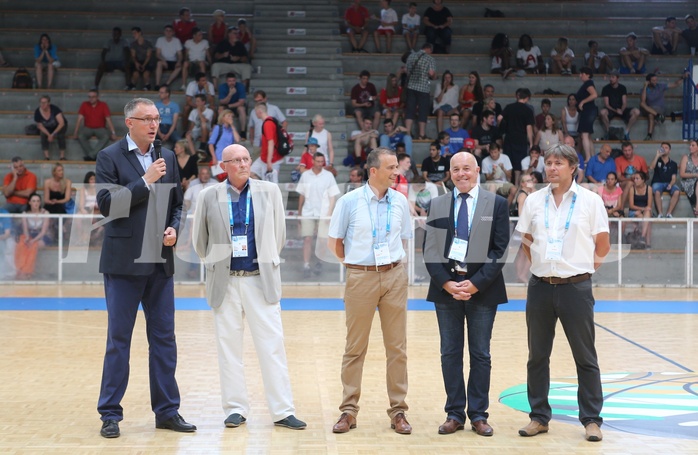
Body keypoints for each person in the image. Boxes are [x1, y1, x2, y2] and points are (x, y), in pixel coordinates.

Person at [95, 97, 193, 439]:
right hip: (123, 265)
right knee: (119, 341)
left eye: (156, 118)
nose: (154, 124)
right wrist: (146, 180)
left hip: (159, 262)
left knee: (164, 340)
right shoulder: (109, 157)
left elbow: (177, 205)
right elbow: (108, 206)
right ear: (129, 123)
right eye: (147, 118)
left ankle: (167, 411)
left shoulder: (166, 156)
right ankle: (110, 413)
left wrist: (174, 229)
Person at [191, 143, 306, 429]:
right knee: (228, 348)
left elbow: (277, 235)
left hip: (259, 279)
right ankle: (235, 409)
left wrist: (264, 260)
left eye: (246, 159)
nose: (243, 164)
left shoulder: (270, 192)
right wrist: (218, 265)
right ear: (223, 166)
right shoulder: (208, 196)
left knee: (272, 346)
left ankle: (282, 411)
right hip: (225, 281)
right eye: (236, 160)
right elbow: (199, 241)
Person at [516, 143, 610, 443]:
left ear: (573, 167)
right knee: (537, 357)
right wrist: (545, 268)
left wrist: (582, 271)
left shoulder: (591, 201)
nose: (552, 168)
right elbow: (526, 242)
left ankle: (592, 420)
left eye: (558, 163)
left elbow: (603, 245)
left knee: (585, 356)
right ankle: (539, 417)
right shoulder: (533, 200)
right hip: (541, 287)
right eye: (549, 162)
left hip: (576, 288)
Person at [422, 151, 509, 436]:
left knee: (480, 354)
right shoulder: (437, 205)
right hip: (446, 290)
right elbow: (431, 251)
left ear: (477, 171)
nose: (462, 174)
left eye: (467, 169)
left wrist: (476, 283)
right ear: (450, 172)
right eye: (456, 169)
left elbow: (500, 250)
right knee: (450, 353)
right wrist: (447, 283)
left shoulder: (496, 204)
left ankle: (479, 415)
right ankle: (455, 413)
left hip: (482, 291)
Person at [328, 147, 413, 435]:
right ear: (373, 171)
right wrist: (357, 266)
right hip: (360, 278)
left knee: (397, 348)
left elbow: (403, 238)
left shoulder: (401, 201)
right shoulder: (349, 202)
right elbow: (335, 243)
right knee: (355, 349)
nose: (396, 172)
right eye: (390, 167)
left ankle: (398, 411)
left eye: (397, 167)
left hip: (394, 277)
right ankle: (348, 411)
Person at [297, 152, 340, 277]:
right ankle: (306, 265)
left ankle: (319, 263)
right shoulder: (305, 175)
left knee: (322, 240)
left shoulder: (329, 176)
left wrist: (329, 213)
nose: (320, 164)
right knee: (307, 239)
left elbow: (333, 196)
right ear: (313, 161)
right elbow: (302, 195)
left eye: (322, 162)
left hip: (324, 213)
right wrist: (299, 213)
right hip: (307, 212)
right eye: (318, 161)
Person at [501, 88, 535, 185]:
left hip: (509, 138)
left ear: (517, 96)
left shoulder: (509, 107)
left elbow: (500, 118)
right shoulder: (528, 110)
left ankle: (508, 183)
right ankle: (516, 184)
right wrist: (531, 143)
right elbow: (529, 128)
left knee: (508, 160)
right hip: (521, 139)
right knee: (518, 162)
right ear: (527, 98)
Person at [72, 89, 118, 161]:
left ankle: (91, 156)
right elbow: (79, 119)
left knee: (106, 136)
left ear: (97, 97)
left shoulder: (103, 105)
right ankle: (93, 156)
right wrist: (75, 133)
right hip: (88, 128)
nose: (91, 98)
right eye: (89, 97)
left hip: (100, 128)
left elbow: (108, 120)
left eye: (93, 97)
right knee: (81, 135)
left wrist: (113, 133)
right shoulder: (84, 104)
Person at [14, 193, 51, 280]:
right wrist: (27, 238)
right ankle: (20, 270)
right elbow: (25, 229)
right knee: (22, 245)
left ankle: (28, 271)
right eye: (33, 201)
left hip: (42, 236)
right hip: (29, 234)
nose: (36, 203)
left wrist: (33, 240)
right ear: (29, 202)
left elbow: (43, 231)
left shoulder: (45, 213)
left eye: (38, 201)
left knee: (34, 246)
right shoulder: (25, 213)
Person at [640, 72, 686, 140]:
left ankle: (649, 135)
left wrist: (683, 77)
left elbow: (675, 84)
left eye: (656, 80)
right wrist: (645, 86)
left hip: (659, 108)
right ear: (648, 81)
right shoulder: (644, 89)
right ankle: (658, 116)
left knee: (650, 115)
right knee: (642, 104)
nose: (656, 82)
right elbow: (643, 100)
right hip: (649, 108)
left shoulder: (660, 86)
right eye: (653, 80)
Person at [405, 43, 437, 139]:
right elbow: (432, 74)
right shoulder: (430, 59)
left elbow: (406, 71)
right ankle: (421, 135)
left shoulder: (411, 56)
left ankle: (408, 133)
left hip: (411, 87)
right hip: (423, 88)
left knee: (410, 111)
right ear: (429, 49)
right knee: (423, 111)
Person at [599, 71, 640, 141]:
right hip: (611, 109)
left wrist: (621, 110)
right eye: (610, 77)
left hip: (621, 109)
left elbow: (624, 103)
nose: (611, 79)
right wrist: (616, 111)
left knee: (637, 111)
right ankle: (609, 132)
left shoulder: (622, 88)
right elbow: (607, 104)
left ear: (617, 78)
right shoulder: (605, 88)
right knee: (602, 112)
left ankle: (626, 132)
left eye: (613, 77)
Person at [249, 103, 283, 182]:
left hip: (271, 159)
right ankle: (261, 187)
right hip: (263, 158)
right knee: (250, 173)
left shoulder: (268, 124)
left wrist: (269, 161)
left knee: (271, 184)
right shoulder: (271, 120)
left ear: (259, 112)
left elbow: (271, 142)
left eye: (255, 112)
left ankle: (263, 188)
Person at [247, 90, 287, 155]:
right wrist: (252, 139)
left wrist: (281, 137)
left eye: (260, 100)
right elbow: (251, 127)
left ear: (265, 98)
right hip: (258, 143)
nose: (258, 102)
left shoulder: (274, 109)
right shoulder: (253, 111)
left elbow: (284, 122)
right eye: (256, 101)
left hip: (272, 142)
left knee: (271, 162)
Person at [650, 142, 680, 218]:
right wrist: (657, 155)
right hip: (657, 183)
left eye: (666, 148)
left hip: (668, 183)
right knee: (657, 192)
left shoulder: (673, 164)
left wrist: (670, 184)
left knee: (676, 191)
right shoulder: (657, 160)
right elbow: (651, 167)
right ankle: (660, 214)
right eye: (662, 147)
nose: (664, 149)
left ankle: (669, 214)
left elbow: (674, 178)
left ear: (669, 150)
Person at [615, 141, 649, 207]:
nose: (627, 152)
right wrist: (630, 179)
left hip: (638, 183)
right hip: (623, 183)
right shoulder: (618, 160)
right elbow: (618, 177)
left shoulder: (640, 159)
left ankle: (622, 208)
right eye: (625, 151)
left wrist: (638, 178)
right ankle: (621, 208)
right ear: (622, 151)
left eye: (629, 150)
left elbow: (646, 176)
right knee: (630, 183)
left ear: (632, 150)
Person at [575, 67, 598, 162]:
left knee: (584, 134)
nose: (580, 75)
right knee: (587, 135)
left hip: (588, 110)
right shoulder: (587, 84)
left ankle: (588, 157)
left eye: (582, 73)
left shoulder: (588, 83)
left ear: (587, 75)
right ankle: (592, 157)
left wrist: (582, 102)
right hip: (588, 111)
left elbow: (594, 94)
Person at [34, 95, 67, 160]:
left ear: (49, 103)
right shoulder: (37, 112)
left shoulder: (55, 109)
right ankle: (47, 157)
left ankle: (62, 156)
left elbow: (61, 123)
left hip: (59, 126)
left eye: (44, 102)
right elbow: (40, 126)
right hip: (47, 127)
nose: (42, 104)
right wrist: (49, 135)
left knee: (61, 135)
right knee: (42, 134)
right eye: (41, 102)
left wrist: (53, 134)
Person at [627, 171, 653, 247]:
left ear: (643, 180)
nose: (635, 180)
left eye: (637, 179)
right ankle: (647, 243)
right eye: (634, 178)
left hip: (645, 211)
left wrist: (644, 210)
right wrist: (642, 209)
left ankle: (642, 237)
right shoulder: (632, 189)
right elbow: (631, 205)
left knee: (647, 213)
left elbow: (649, 205)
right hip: (634, 211)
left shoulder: (649, 189)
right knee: (642, 217)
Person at [217, 73, 247, 138]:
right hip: (226, 106)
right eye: (230, 81)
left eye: (233, 81)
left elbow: (241, 102)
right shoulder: (222, 87)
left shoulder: (240, 86)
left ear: (235, 80)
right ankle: (220, 130)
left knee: (241, 109)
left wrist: (229, 106)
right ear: (226, 81)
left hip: (235, 106)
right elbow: (222, 101)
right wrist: (230, 94)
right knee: (221, 108)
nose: (232, 83)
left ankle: (243, 131)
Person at [154, 24, 183, 89]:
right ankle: (157, 84)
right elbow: (157, 54)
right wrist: (163, 60)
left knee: (179, 67)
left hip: (173, 61)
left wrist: (179, 61)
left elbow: (180, 54)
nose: (168, 32)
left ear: (173, 32)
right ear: (164, 32)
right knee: (159, 63)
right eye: (166, 30)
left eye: (170, 31)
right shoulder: (160, 40)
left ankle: (167, 83)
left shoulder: (176, 40)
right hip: (163, 60)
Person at [679, 139, 698, 216]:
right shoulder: (686, 157)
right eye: (690, 145)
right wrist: (695, 175)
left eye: (693, 145)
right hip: (687, 182)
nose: (690, 147)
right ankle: (697, 206)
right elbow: (682, 174)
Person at [0, 207, 16, 280]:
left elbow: (7, 233)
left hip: (7, 237)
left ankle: (11, 273)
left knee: (9, 246)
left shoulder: (4, 213)